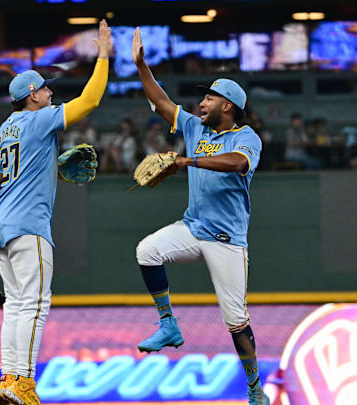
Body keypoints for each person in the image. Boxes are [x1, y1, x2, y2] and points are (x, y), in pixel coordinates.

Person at [131, 27, 270, 405]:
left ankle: (255, 388)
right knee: (147, 251)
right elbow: (161, 102)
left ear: (228, 105)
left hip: (226, 240)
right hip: (193, 228)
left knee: (236, 322)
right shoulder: (194, 126)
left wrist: (188, 160)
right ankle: (168, 325)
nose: (202, 102)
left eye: (210, 96)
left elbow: (237, 163)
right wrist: (141, 65)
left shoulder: (246, 137)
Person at [0, 19, 112, 405]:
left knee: (16, 307)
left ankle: (9, 378)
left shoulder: (6, 126)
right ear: (32, 96)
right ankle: (23, 383)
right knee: (35, 306)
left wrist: (46, 165)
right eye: (43, 88)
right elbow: (89, 101)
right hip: (28, 224)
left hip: (0, 222)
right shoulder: (40, 118)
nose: (49, 91)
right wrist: (104, 56)